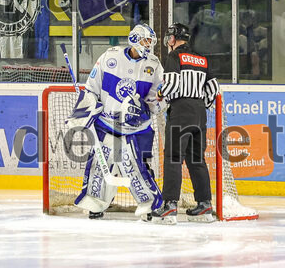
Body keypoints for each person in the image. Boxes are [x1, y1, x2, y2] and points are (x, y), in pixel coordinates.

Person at [65, 24, 164, 220]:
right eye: (145, 40)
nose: (148, 45)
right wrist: (83, 111)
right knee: (100, 167)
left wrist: (149, 109)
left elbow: (156, 98)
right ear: (134, 39)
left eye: (150, 41)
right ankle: (96, 204)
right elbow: (91, 89)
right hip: (106, 124)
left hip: (135, 128)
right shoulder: (110, 56)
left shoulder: (153, 64)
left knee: (136, 168)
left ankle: (148, 206)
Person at [151, 22, 220, 224]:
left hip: (181, 111)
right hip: (200, 113)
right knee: (197, 159)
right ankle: (204, 204)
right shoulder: (201, 59)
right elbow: (213, 90)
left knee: (173, 157)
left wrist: (161, 94)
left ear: (173, 39)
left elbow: (171, 85)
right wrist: (200, 104)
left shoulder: (174, 56)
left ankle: (170, 206)